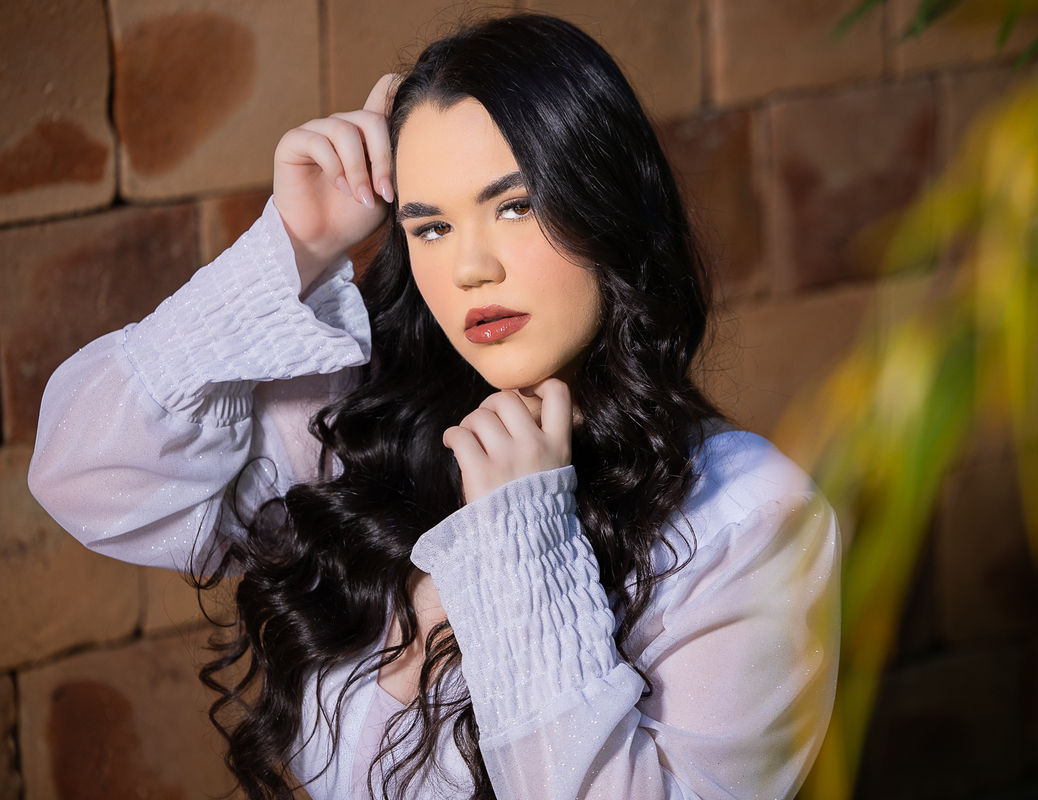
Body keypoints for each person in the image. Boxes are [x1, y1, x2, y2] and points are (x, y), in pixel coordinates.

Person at [29, 13, 839, 800]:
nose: (470, 269)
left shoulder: (749, 520)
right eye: (431, 227)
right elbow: (85, 477)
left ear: (608, 206)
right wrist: (295, 245)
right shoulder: (363, 426)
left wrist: (524, 541)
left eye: (515, 206)